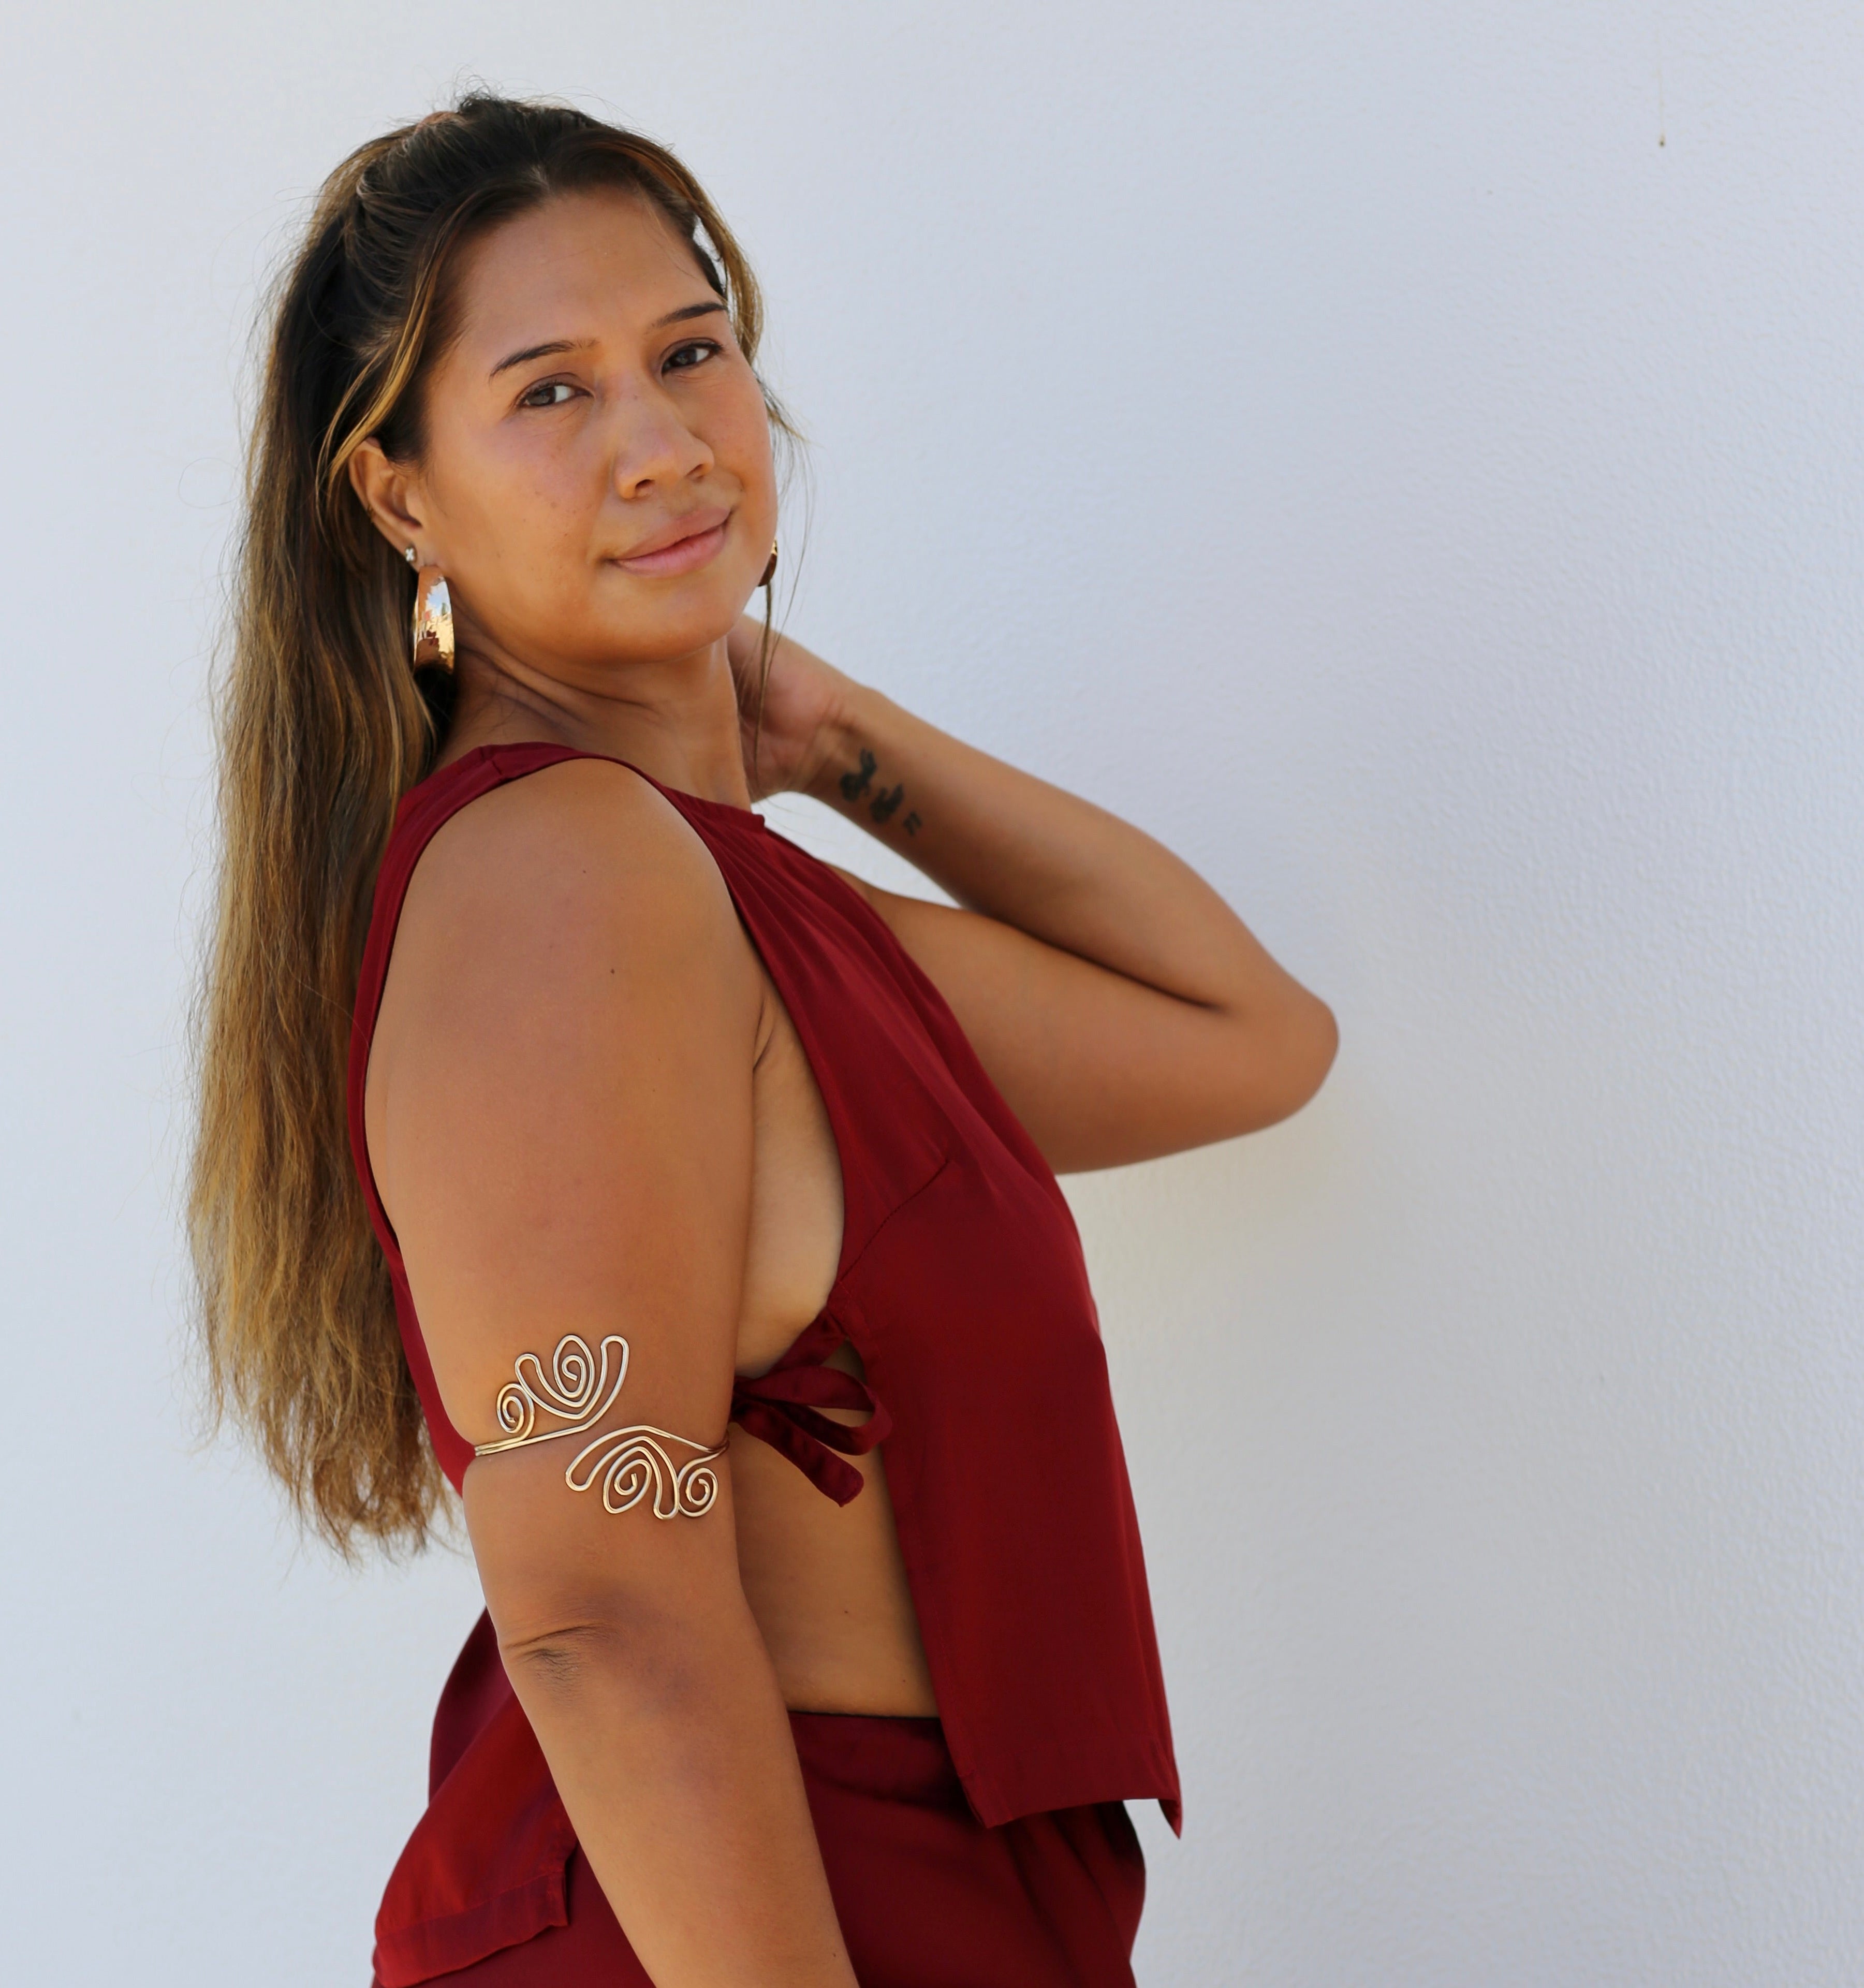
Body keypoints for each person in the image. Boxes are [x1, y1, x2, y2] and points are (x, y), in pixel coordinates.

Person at [188, 93, 1337, 1988]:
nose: (660, 443)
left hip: (900, 1899)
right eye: (551, 391)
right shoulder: (565, 872)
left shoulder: (725, 904)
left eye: (690, 351)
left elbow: (1244, 1038)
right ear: (400, 499)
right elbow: (599, 1616)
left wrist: (822, 733)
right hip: (752, 1912)